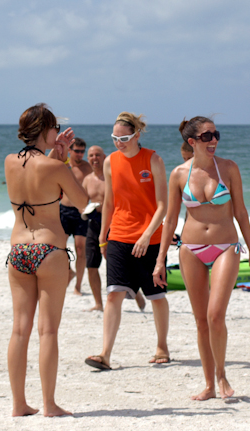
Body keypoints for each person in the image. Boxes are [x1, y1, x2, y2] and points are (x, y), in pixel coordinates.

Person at [154, 116, 250, 400]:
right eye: (206, 136)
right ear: (192, 142)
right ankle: (209, 385)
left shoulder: (228, 169)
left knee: (215, 315)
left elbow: (241, 212)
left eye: (216, 135)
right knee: (201, 320)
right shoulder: (179, 174)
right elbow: (169, 220)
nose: (213, 140)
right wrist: (160, 259)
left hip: (226, 246)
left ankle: (222, 375)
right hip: (191, 249)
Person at [6, 103, 88, 416]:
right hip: (49, 251)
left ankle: (18, 405)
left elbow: (35, 178)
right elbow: (82, 202)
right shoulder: (57, 166)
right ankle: (49, 404)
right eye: (54, 128)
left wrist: (57, 153)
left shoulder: (9, 161)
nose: (57, 133)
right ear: (45, 130)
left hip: (18, 251)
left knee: (19, 330)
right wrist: (63, 157)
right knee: (48, 331)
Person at [85, 112, 170, 371]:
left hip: (151, 239)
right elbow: (109, 201)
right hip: (119, 236)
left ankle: (162, 346)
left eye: (123, 138)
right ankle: (105, 354)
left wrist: (146, 235)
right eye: (114, 138)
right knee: (113, 296)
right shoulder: (110, 162)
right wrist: (103, 235)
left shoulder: (153, 160)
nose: (118, 142)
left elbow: (163, 205)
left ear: (137, 136)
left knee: (156, 295)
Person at [60, 137, 92, 295]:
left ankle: (78, 285)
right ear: (70, 150)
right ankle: (68, 271)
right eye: (77, 151)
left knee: (80, 250)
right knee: (58, 247)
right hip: (64, 210)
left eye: (82, 151)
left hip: (82, 212)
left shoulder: (88, 168)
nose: (80, 154)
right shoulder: (63, 165)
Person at [81, 146, 107, 311]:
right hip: (93, 224)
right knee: (91, 265)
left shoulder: (111, 177)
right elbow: (81, 202)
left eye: (98, 154)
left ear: (104, 157)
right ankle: (98, 303)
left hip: (111, 223)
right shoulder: (87, 180)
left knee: (115, 265)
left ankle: (135, 294)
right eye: (91, 155)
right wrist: (84, 210)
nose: (94, 158)